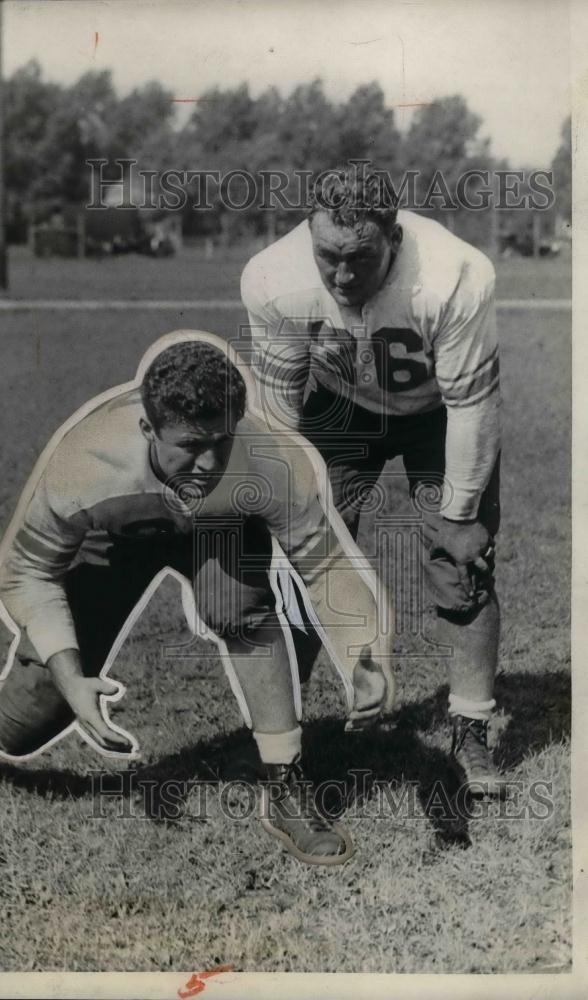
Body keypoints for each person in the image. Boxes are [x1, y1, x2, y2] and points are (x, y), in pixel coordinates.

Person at [0, 334, 393, 868]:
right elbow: (28, 572)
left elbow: (326, 567)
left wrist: (361, 652)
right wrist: (69, 674)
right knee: (25, 724)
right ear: (147, 427)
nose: (207, 464)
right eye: (190, 446)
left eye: (220, 442)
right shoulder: (89, 461)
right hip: (116, 538)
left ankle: (284, 781)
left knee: (238, 608)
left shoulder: (265, 461)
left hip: (219, 528)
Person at [241, 164, 504, 796]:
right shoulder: (273, 277)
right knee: (299, 566)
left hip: (437, 413)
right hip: (339, 412)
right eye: (328, 256)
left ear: (395, 236)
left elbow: (473, 406)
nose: (340, 275)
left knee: (458, 563)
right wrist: (286, 507)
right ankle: (288, 739)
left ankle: (471, 725)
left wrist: (461, 514)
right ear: (309, 232)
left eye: (359, 258)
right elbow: (278, 404)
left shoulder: (454, 276)